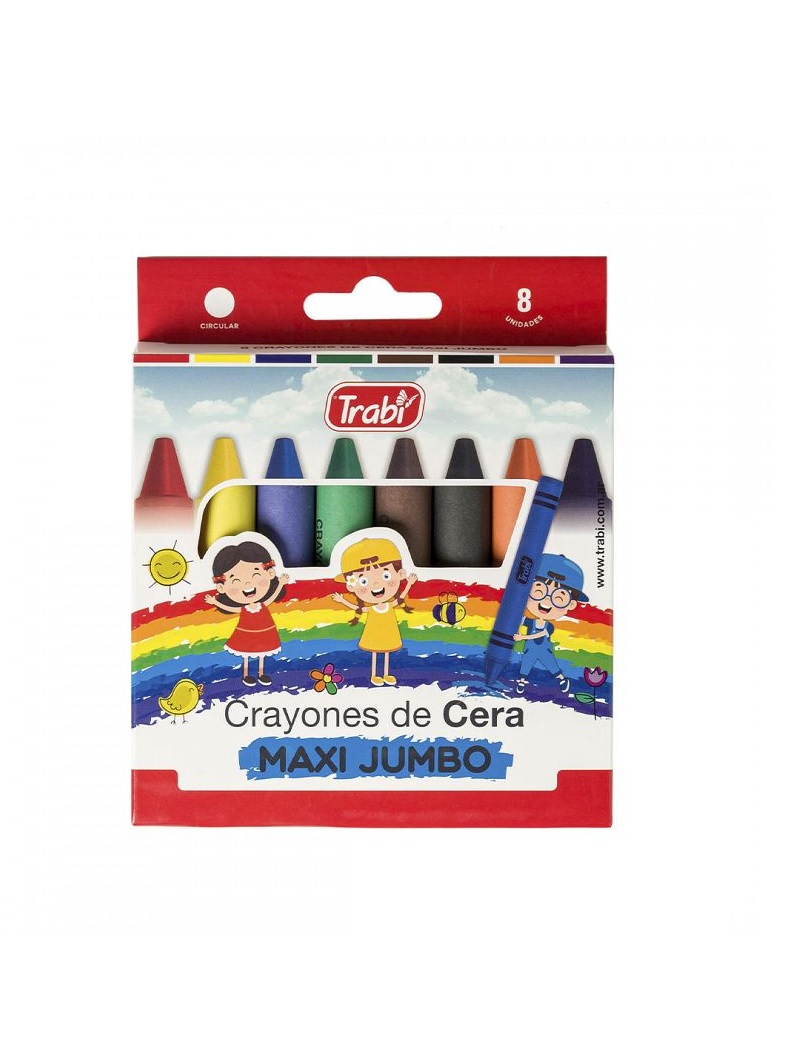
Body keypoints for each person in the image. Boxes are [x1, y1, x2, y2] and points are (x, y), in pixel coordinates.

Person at [332, 537, 417, 686]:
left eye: (386, 576)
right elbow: (358, 608)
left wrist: (409, 584)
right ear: (351, 586)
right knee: (375, 653)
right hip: (374, 633)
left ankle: (386, 674)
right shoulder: (372, 608)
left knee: (386, 652)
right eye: (363, 581)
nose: (377, 584)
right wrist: (342, 601)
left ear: (400, 574)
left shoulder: (389, 605)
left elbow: (400, 598)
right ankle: (374, 675)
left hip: (388, 632)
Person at [205, 539, 289, 686]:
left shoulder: (262, 604)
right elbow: (232, 609)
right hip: (246, 634)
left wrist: (281, 583)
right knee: (246, 654)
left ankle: (261, 674)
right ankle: (246, 675)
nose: (248, 584)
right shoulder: (244, 609)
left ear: (270, 573)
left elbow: (272, 597)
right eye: (235, 580)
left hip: (265, 632)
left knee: (262, 653)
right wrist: (215, 602)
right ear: (221, 587)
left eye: (255, 575)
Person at [512, 553, 587, 694]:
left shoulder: (549, 626)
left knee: (552, 665)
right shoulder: (530, 621)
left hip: (544, 650)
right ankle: (521, 682)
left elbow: (540, 634)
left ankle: (562, 680)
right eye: (539, 591)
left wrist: (523, 637)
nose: (546, 601)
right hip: (529, 650)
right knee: (525, 664)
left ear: (571, 604)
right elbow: (519, 619)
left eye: (559, 598)